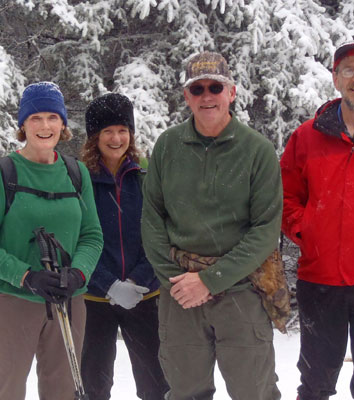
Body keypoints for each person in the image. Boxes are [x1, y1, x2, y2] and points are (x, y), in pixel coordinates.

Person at [141, 51, 283, 400]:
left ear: (231, 92)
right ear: (186, 96)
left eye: (215, 87)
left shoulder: (257, 151)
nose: (207, 96)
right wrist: (179, 283)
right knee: (186, 391)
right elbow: (152, 219)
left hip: (241, 292)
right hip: (179, 294)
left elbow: (265, 229)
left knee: (255, 392)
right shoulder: (167, 147)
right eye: (198, 88)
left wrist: (210, 280)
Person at [280, 39, 354, 400]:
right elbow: (285, 197)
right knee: (315, 385)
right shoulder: (307, 136)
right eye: (348, 69)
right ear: (335, 78)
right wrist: (307, 231)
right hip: (321, 280)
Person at [0, 81, 103, 399]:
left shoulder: (77, 173)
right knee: (7, 387)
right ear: (23, 125)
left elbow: (92, 235)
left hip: (69, 300)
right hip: (13, 302)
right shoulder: (6, 173)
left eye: (52, 117)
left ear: (62, 123)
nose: (45, 126)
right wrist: (27, 276)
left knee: (61, 390)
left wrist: (78, 273)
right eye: (35, 118)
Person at [80, 93, 169, 400]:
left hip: (146, 295)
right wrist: (108, 285)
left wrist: (137, 280)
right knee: (93, 385)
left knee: (156, 383)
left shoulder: (148, 173)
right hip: (93, 298)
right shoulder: (80, 179)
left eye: (122, 130)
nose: (116, 138)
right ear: (95, 137)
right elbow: (75, 240)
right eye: (107, 131)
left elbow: (162, 233)